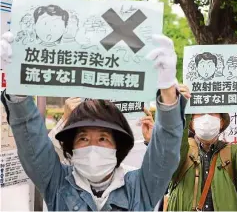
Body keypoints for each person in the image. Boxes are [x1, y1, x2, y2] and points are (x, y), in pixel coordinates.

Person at [0, 32, 187, 211]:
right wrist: (17, 85)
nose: (93, 147)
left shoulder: (140, 188)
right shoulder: (57, 183)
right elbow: (31, 141)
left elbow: (166, 149)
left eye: (103, 138)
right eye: (83, 138)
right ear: (71, 147)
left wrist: (168, 90)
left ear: (117, 146)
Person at [142, 82, 237, 211]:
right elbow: (165, 158)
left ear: (222, 122)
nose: (206, 118)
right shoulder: (182, 152)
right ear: (191, 123)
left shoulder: (234, 155)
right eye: (199, 114)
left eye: (212, 113)